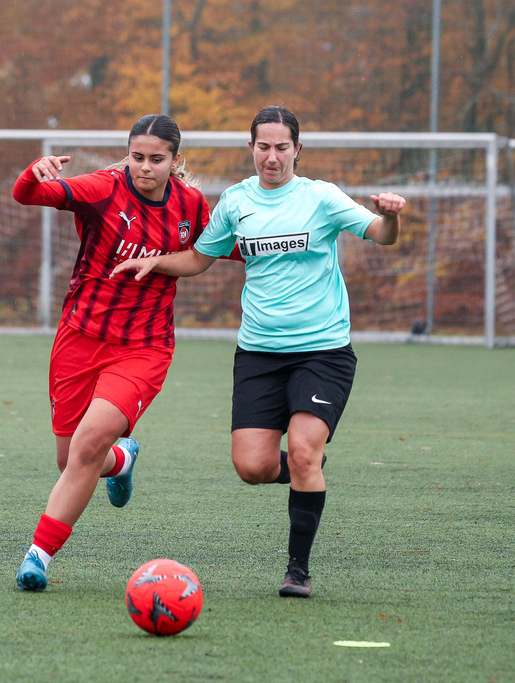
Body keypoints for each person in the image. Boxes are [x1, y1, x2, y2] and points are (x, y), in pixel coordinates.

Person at [111, 105, 406, 598]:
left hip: (322, 352)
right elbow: (201, 259)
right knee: (253, 467)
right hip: (258, 353)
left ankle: (298, 570)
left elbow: (381, 235)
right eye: (263, 146)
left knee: (306, 451)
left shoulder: (321, 198)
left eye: (282, 147)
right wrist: (157, 261)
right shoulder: (235, 202)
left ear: (297, 149)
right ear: (251, 148)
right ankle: (304, 472)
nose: (272, 156)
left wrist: (391, 218)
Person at [11, 114, 211, 591]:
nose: (145, 168)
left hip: (144, 347)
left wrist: (161, 263)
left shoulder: (192, 205)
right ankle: (122, 460)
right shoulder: (103, 188)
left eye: (156, 160)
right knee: (71, 460)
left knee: (87, 444)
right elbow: (29, 196)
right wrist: (33, 172)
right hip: (81, 337)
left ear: (175, 161)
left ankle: (38, 555)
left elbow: (211, 253)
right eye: (137, 157)